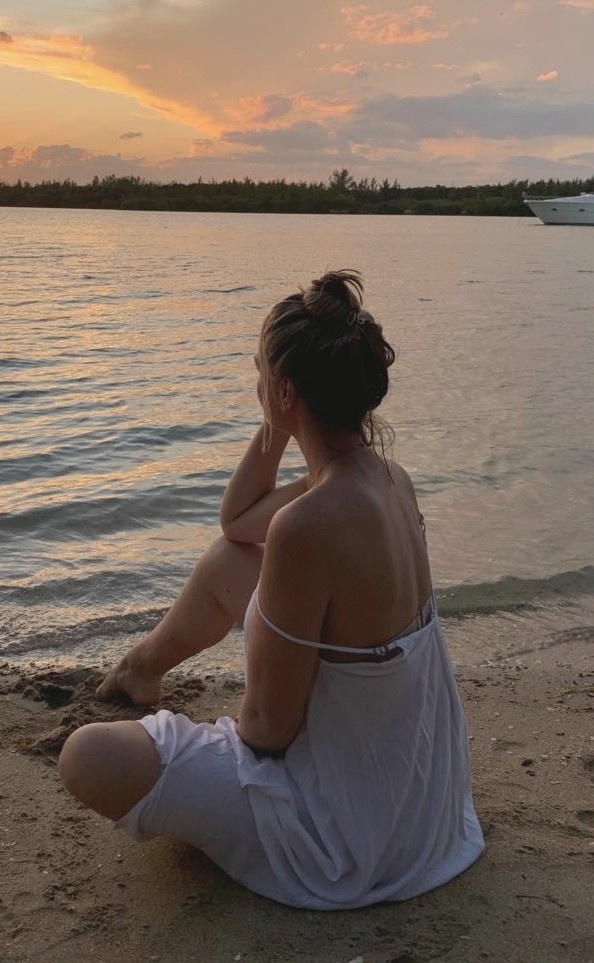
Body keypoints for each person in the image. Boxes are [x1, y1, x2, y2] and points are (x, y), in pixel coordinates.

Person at [58, 269, 484, 909]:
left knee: (87, 756)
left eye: (261, 375)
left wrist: (212, 741)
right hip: (422, 804)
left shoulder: (309, 525)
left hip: (347, 840)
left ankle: (200, 780)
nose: (256, 385)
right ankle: (140, 668)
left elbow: (265, 732)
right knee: (234, 559)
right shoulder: (388, 479)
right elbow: (237, 524)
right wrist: (282, 420)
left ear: (284, 391)